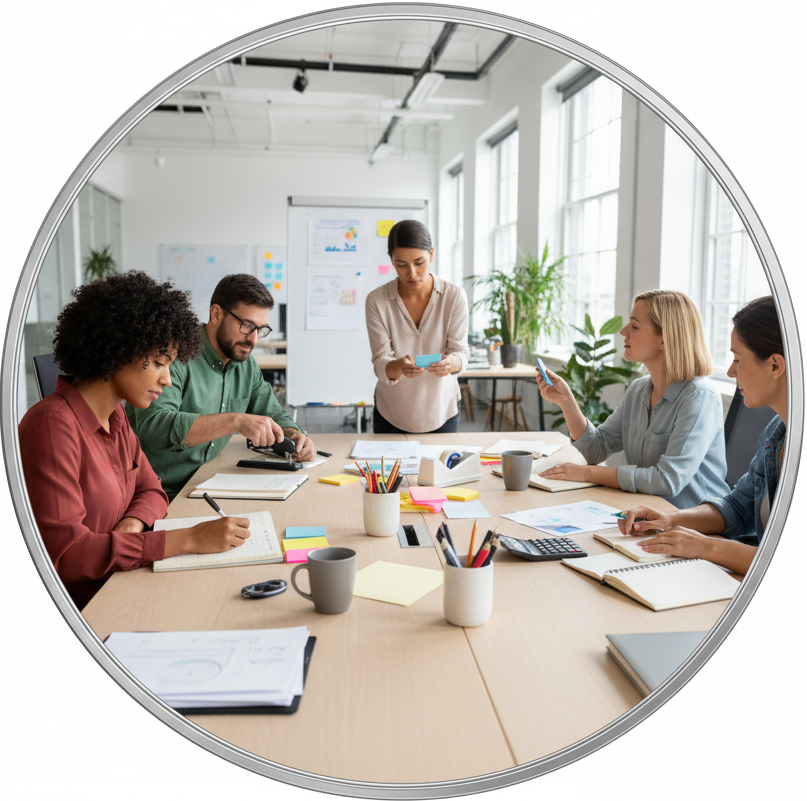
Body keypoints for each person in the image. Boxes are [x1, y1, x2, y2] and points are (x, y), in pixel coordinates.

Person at [19, 272, 254, 609]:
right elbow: (68, 556)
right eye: (159, 362)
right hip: (88, 611)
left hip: (123, 582)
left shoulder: (116, 417)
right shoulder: (52, 427)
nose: (167, 378)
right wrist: (187, 539)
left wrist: (133, 524)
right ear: (118, 350)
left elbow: (152, 490)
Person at [618, 296, 786, 575]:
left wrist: (706, 547)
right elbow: (736, 508)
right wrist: (670, 520)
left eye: (737, 359)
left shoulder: (699, 395)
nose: (731, 371)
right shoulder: (774, 435)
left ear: (775, 365)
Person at [128, 274, 316, 500]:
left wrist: (295, 435)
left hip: (207, 484)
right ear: (216, 314)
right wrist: (235, 421)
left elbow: (273, 414)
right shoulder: (174, 354)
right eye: (246, 326)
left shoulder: (245, 365)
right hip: (158, 493)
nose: (254, 339)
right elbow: (153, 426)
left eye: (260, 329)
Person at [536, 289, 730, 508]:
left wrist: (589, 473)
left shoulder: (699, 397)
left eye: (635, 326)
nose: (623, 331)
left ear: (665, 340)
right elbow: (596, 450)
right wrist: (566, 401)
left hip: (696, 527)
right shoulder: (639, 390)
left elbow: (668, 480)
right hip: (650, 514)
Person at [365, 219, 470, 434]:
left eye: (419, 262)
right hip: (391, 413)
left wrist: (451, 363)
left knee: (441, 469)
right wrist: (398, 366)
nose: (411, 273)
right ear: (392, 261)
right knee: (389, 469)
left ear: (431, 254)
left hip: (442, 412)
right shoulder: (377, 300)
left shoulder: (454, 296)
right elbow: (380, 361)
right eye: (401, 265)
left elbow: (461, 352)